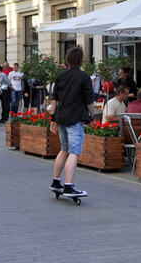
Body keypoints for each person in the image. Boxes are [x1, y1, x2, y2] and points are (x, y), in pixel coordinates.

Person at [49, 46, 93, 198]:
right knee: (74, 152)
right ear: (81, 60)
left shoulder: (61, 76)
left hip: (61, 118)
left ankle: (56, 181)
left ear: (67, 59)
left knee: (64, 149)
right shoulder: (84, 77)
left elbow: (54, 98)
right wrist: (92, 116)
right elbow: (89, 100)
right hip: (75, 118)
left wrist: (52, 118)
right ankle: (69, 185)